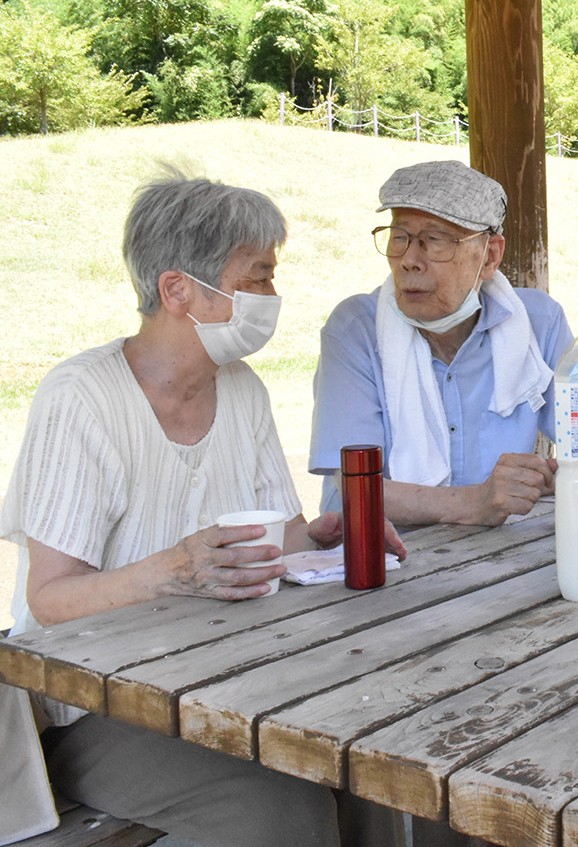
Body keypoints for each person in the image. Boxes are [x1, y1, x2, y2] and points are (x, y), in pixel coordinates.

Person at [1, 169, 405, 846]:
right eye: (259, 275)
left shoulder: (242, 390)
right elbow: (50, 602)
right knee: (280, 810)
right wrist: (170, 569)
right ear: (178, 289)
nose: (273, 296)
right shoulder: (82, 396)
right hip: (98, 706)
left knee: (373, 763)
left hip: (223, 677)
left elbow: (268, 532)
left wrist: (317, 536)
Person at [309, 160, 570, 528]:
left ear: (490, 256)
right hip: (383, 563)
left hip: (501, 554)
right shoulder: (355, 331)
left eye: (434, 241)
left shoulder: (537, 323)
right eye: (399, 238)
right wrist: (474, 502)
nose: (410, 261)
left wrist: (557, 474)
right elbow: (356, 489)